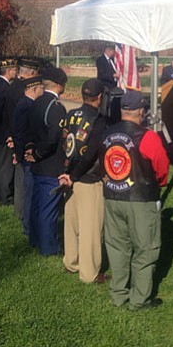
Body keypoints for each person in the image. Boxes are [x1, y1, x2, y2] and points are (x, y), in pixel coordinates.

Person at [100, 89, 170, 311]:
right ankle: (139, 299)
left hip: (111, 196)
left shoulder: (106, 133)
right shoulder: (148, 136)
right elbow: (162, 169)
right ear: (141, 110)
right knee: (145, 249)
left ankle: (118, 294)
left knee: (117, 246)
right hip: (140, 198)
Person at [57, 79, 110, 284]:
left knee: (72, 223)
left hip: (69, 175)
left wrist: (67, 173)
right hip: (86, 178)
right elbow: (91, 154)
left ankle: (71, 261)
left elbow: (66, 144)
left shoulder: (71, 115)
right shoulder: (98, 120)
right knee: (91, 227)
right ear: (99, 97)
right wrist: (76, 174)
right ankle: (89, 272)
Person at [26, 67, 68, 255]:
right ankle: (49, 247)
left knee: (37, 204)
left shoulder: (35, 102)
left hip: (37, 163)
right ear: (60, 86)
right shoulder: (56, 107)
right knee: (48, 209)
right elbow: (53, 138)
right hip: (50, 163)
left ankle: (35, 239)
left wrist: (32, 151)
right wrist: (38, 153)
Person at [6, 57, 42, 221]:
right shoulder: (23, 93)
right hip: (22, 140)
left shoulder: (14, 87)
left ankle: (20, 209)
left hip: (16, 137)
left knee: (21, 180)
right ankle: (23, 213)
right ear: (33, 73)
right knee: (25, 182)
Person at [12, 76, 44, 237]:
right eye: (41, 88)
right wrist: (19, 154)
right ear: (34, 89)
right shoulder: (27, 106)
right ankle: (28, 226)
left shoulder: (26, 104)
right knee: (30, 190)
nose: (43, 91)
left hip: (25, 152)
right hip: (27, 154)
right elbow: (20, 133)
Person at [0, 58, 18, 205]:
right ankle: (5, 196)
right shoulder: (4, 89)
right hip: (2, 132)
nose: (16, 72)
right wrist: (5, 133)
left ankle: (0, 191)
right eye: (14, 70)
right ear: (9, 71)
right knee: (4, 166)